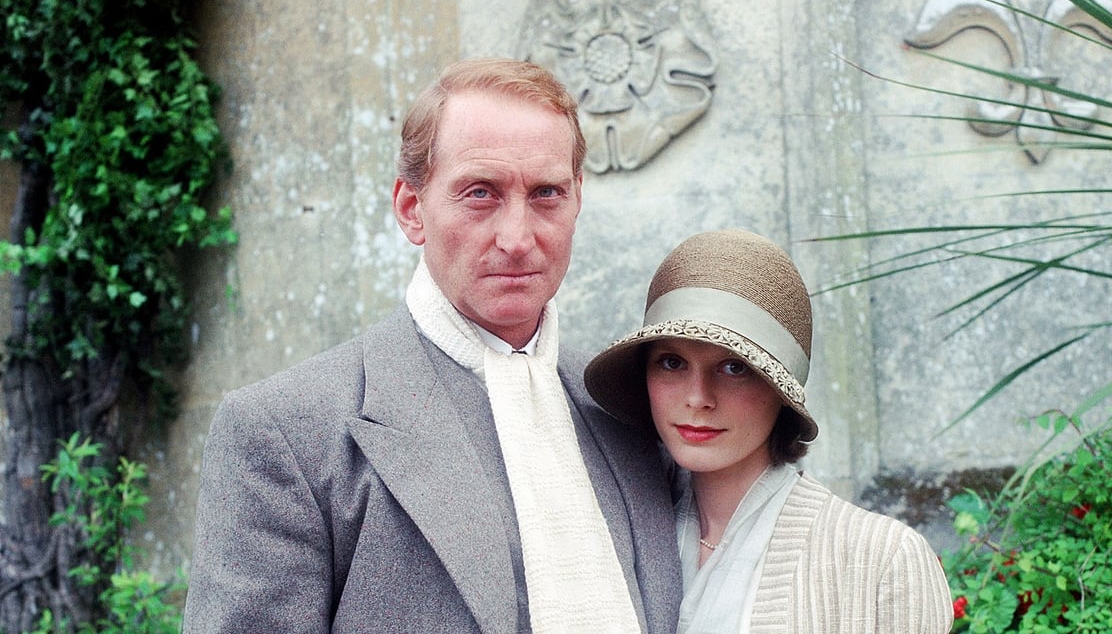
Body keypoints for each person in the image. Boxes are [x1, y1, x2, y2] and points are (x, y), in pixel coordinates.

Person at [183, 58, 682, 633]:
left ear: (577, 201)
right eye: (480, 193)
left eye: (546, 193)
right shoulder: (286, 432)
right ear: (410, 208)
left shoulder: (632, 411)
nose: (517, 238)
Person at [584, 229, 954, 633]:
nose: (697, 398)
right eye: (672, 362)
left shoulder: (882, 560)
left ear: (780, 390)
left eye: (734, 367)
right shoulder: (613, 540)